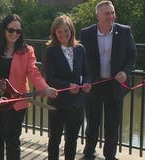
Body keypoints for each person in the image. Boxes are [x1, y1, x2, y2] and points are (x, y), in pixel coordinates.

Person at [0, 14, 58, 160]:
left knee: (13, 140)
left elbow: (34, 73)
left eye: (18, 31)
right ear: (3, 29)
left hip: (16, 101)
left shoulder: (27, 50)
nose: (14, 34)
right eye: (11, 30)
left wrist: (44, 88)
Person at [80, 1, 137, 160]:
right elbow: (81, 59)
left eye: (112, 13)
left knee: (112, 124)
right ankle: (89, 152)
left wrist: (125, 72)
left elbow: (132, 55)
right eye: (107, 13)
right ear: (98, 16)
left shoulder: (124, 31)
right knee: (92, 123)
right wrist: (85, 79)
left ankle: (110, 156)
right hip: (94, 85)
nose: (111, 16)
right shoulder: (86, 33)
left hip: (115, 85)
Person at [44, 15, 91, 160]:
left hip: (77, 103)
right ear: (54, 33)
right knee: (55, 139)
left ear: (71, 30)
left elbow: (87, 72)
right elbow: (50, 79)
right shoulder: (50, 51)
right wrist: (67, 86)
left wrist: (87, 84)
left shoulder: (80, 49)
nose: (63, 34)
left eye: (66, 31)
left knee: (72, 140)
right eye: (59, 32)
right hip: (58, 102)